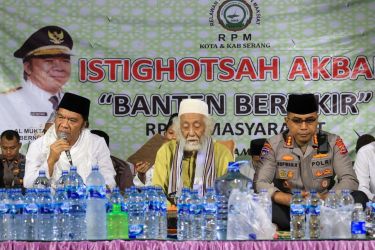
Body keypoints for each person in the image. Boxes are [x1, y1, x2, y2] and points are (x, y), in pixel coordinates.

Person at [254, 93, 367, 230]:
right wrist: (287, 199)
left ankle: (321, 224)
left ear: (317, 120)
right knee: (260, 203)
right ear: (287, 121)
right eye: (296, 120)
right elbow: (260, 183)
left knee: (359, 197)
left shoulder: (333, 142)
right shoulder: (273, 144)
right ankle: (307, 225)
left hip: (327, 208)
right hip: (289, 210)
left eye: (310, 120)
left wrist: (325, 197)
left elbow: (349, 179)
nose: (303, 127)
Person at [23, 92, 116, 189]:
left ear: (84, 125)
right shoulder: (38, 145)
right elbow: (28, 184)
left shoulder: (96, 143)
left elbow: (109, 180)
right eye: (61, 117)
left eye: (72, 120)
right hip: (52, 202)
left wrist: (92, 192)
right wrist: (51, 160)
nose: (64, 125)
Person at [152, 99, 234, 203]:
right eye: (185, 127)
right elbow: (157, 190)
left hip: (210, 213)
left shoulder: (221, 153)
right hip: (173, 213)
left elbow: (229, 191)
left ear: (207, 127)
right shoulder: (167, 150)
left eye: (197, 126)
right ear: (179, 129)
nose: (191, 133)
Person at [0, 25, 73, 142]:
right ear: (28, 67)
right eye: (49, 61)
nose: (59, 67)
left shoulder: (73, 102)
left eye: (65, 60)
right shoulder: (5, 102)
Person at [133, 113, 178, 186]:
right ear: (165, 134)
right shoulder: (153, 156)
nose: (174, 137)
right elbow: (140, 188)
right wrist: (141, 174)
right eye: (171, 133)